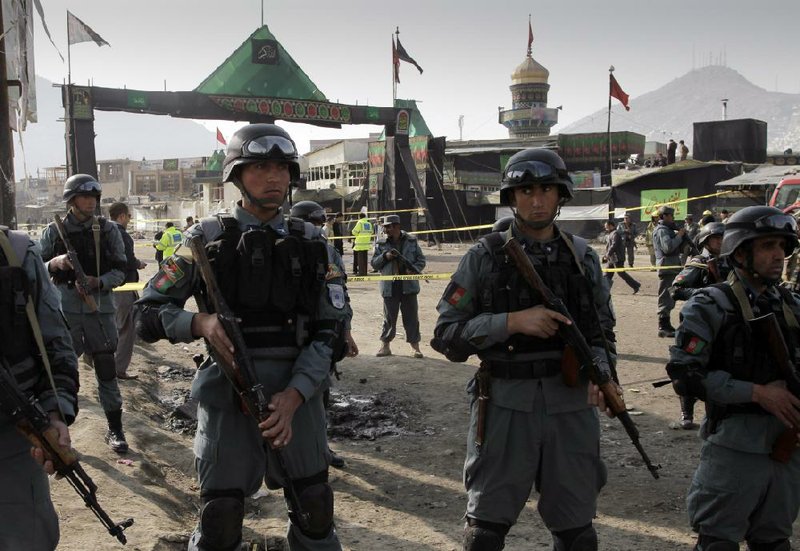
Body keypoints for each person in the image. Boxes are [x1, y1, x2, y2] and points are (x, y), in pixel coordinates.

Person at [136, 123, 347, 550]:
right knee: (222, 518)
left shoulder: (314, 244)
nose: (274, 178)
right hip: (228, 393)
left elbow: (333, 330)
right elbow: (147, 313)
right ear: (236, 175)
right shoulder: (203, 240)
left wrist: (295, 396)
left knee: (314, 506)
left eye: (282, 168)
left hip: (298, 397)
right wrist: (200, 324)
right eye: (260, 167)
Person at [432, 148, 617, 551]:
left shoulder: (582, 258)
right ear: (511, 198)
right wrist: (511, 322)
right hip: (504, 404)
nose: (537, 200)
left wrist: (602, 373)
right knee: (484, 535)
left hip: (569, 405)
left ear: (560, 195)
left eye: (547, 190)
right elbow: (446, 335)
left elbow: (602, 330)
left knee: (578, 535)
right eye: (526, 190)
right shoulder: (484, 257)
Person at [665, 206, 800, 551]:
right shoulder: (710, 306)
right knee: (717, 542)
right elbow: (685, 375)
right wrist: (757, 393)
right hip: (736, 444)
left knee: (773, 540)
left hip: (787, 444)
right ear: (741, 252)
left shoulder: (791, 305)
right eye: (768, 246)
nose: (779, 256)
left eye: (783, 247)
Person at [0, 225, 79, 550]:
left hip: (10, 434)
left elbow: (54, 343)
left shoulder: (16, 252)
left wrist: (54, 412)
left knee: (27, 536)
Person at [39, 174, 130, 454]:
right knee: (59, 372)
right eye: (84, 197)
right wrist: (56, 263)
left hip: (99, 309)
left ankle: (115, 428)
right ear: (71, 200)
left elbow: (122, 272)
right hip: (64, 310)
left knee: (105, 367)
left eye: (94, 197)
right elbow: (37, 269)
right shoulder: (53, 231)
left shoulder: (108, 230)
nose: (90, 202)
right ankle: (54, 431)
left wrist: (97, 282)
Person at [290, 200, 359, 470]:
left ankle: (319, 447)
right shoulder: (287, 248)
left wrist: (346, 332)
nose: (320, 228)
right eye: (316, 223)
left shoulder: (330, 252)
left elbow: (339, 294)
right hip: (297, 334)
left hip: (324, 334)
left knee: (319, 394)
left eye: (321, 224)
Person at [668, 222, 728, 430]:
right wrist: (707, 294)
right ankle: (687, 413)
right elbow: (676, 290)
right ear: (706, 241)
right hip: (699, 323)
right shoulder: (699, 263)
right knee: (690, 367)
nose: (721, 242)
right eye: (716, 238)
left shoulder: (730, 262)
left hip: (724, 323)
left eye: (723, 237)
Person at [372, 214, 426, 358]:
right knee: (389, 318)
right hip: (390, 286)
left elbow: (421, 260)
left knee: (411, 318)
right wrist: (385, 257)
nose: (386, 229)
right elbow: (374, 264)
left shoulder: (411, 241)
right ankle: (385, 346)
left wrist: (413, 269)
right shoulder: (381, 243)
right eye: (385, 227)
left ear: (397, 226)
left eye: (389, 227)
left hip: (408, 286)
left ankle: (415, 348)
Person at [109, 202, 146, 380]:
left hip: (109, 287)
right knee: (126, 329)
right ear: (122, 216)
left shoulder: (105, 232)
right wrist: (139, 264)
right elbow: (127, 261)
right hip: (123, 288)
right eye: (129, 216)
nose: (129, 220)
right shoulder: (121, 235)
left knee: (114, 325)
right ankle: (118, 369)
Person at [653, 205, 686, 338]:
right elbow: (668, 247)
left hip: (672, 267)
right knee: (665, 297)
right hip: (666, 267)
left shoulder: (668, 229)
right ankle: (663, 326)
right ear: (664, 216)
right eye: (671, 215)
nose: (673, 218)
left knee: (670, 297)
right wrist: (678, 236)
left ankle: (666, 324)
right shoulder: (662, 230)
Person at [604, 220, 641, 294]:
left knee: (621, 273)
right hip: (612, 258)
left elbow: (614, 245)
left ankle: (635, 285)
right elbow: (609, 246)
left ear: (611, 226)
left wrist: (608, 254)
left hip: (617, 258)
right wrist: (607, 255)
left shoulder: (615, 234)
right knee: (608, 273)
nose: (606, 229)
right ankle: (604, 290)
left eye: (606, 227)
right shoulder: (612, 234)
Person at [350, 206, 372, 276]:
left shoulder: (360, 222)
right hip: (366, 243)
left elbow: (354, 232)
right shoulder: (368, 223)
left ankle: (361, 273)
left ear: (359, 217)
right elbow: (371, 232)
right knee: (365, 259)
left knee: (360, 259)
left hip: (360, 243)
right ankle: (365, 272)